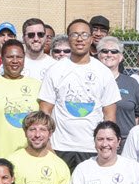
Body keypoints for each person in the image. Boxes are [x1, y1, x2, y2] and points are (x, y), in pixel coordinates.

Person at [38, 18, 121, 170]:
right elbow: (45, 111)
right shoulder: (55, 70)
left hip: (92, 148)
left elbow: (109, 115)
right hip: (60, 147)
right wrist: (47, 144)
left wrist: (107, 145)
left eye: (84, 35)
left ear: (91, 39)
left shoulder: (103, 72)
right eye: (74, 35)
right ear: (68, 38)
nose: (79, 39)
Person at [95, 36, 139, 137]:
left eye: (114, 51)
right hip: (99, 140)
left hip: (125, 141)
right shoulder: (91, 81)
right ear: (98, 55)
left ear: (121, 57)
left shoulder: (132, 83)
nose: (109, 54)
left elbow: (138, 115)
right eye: (104, 51)